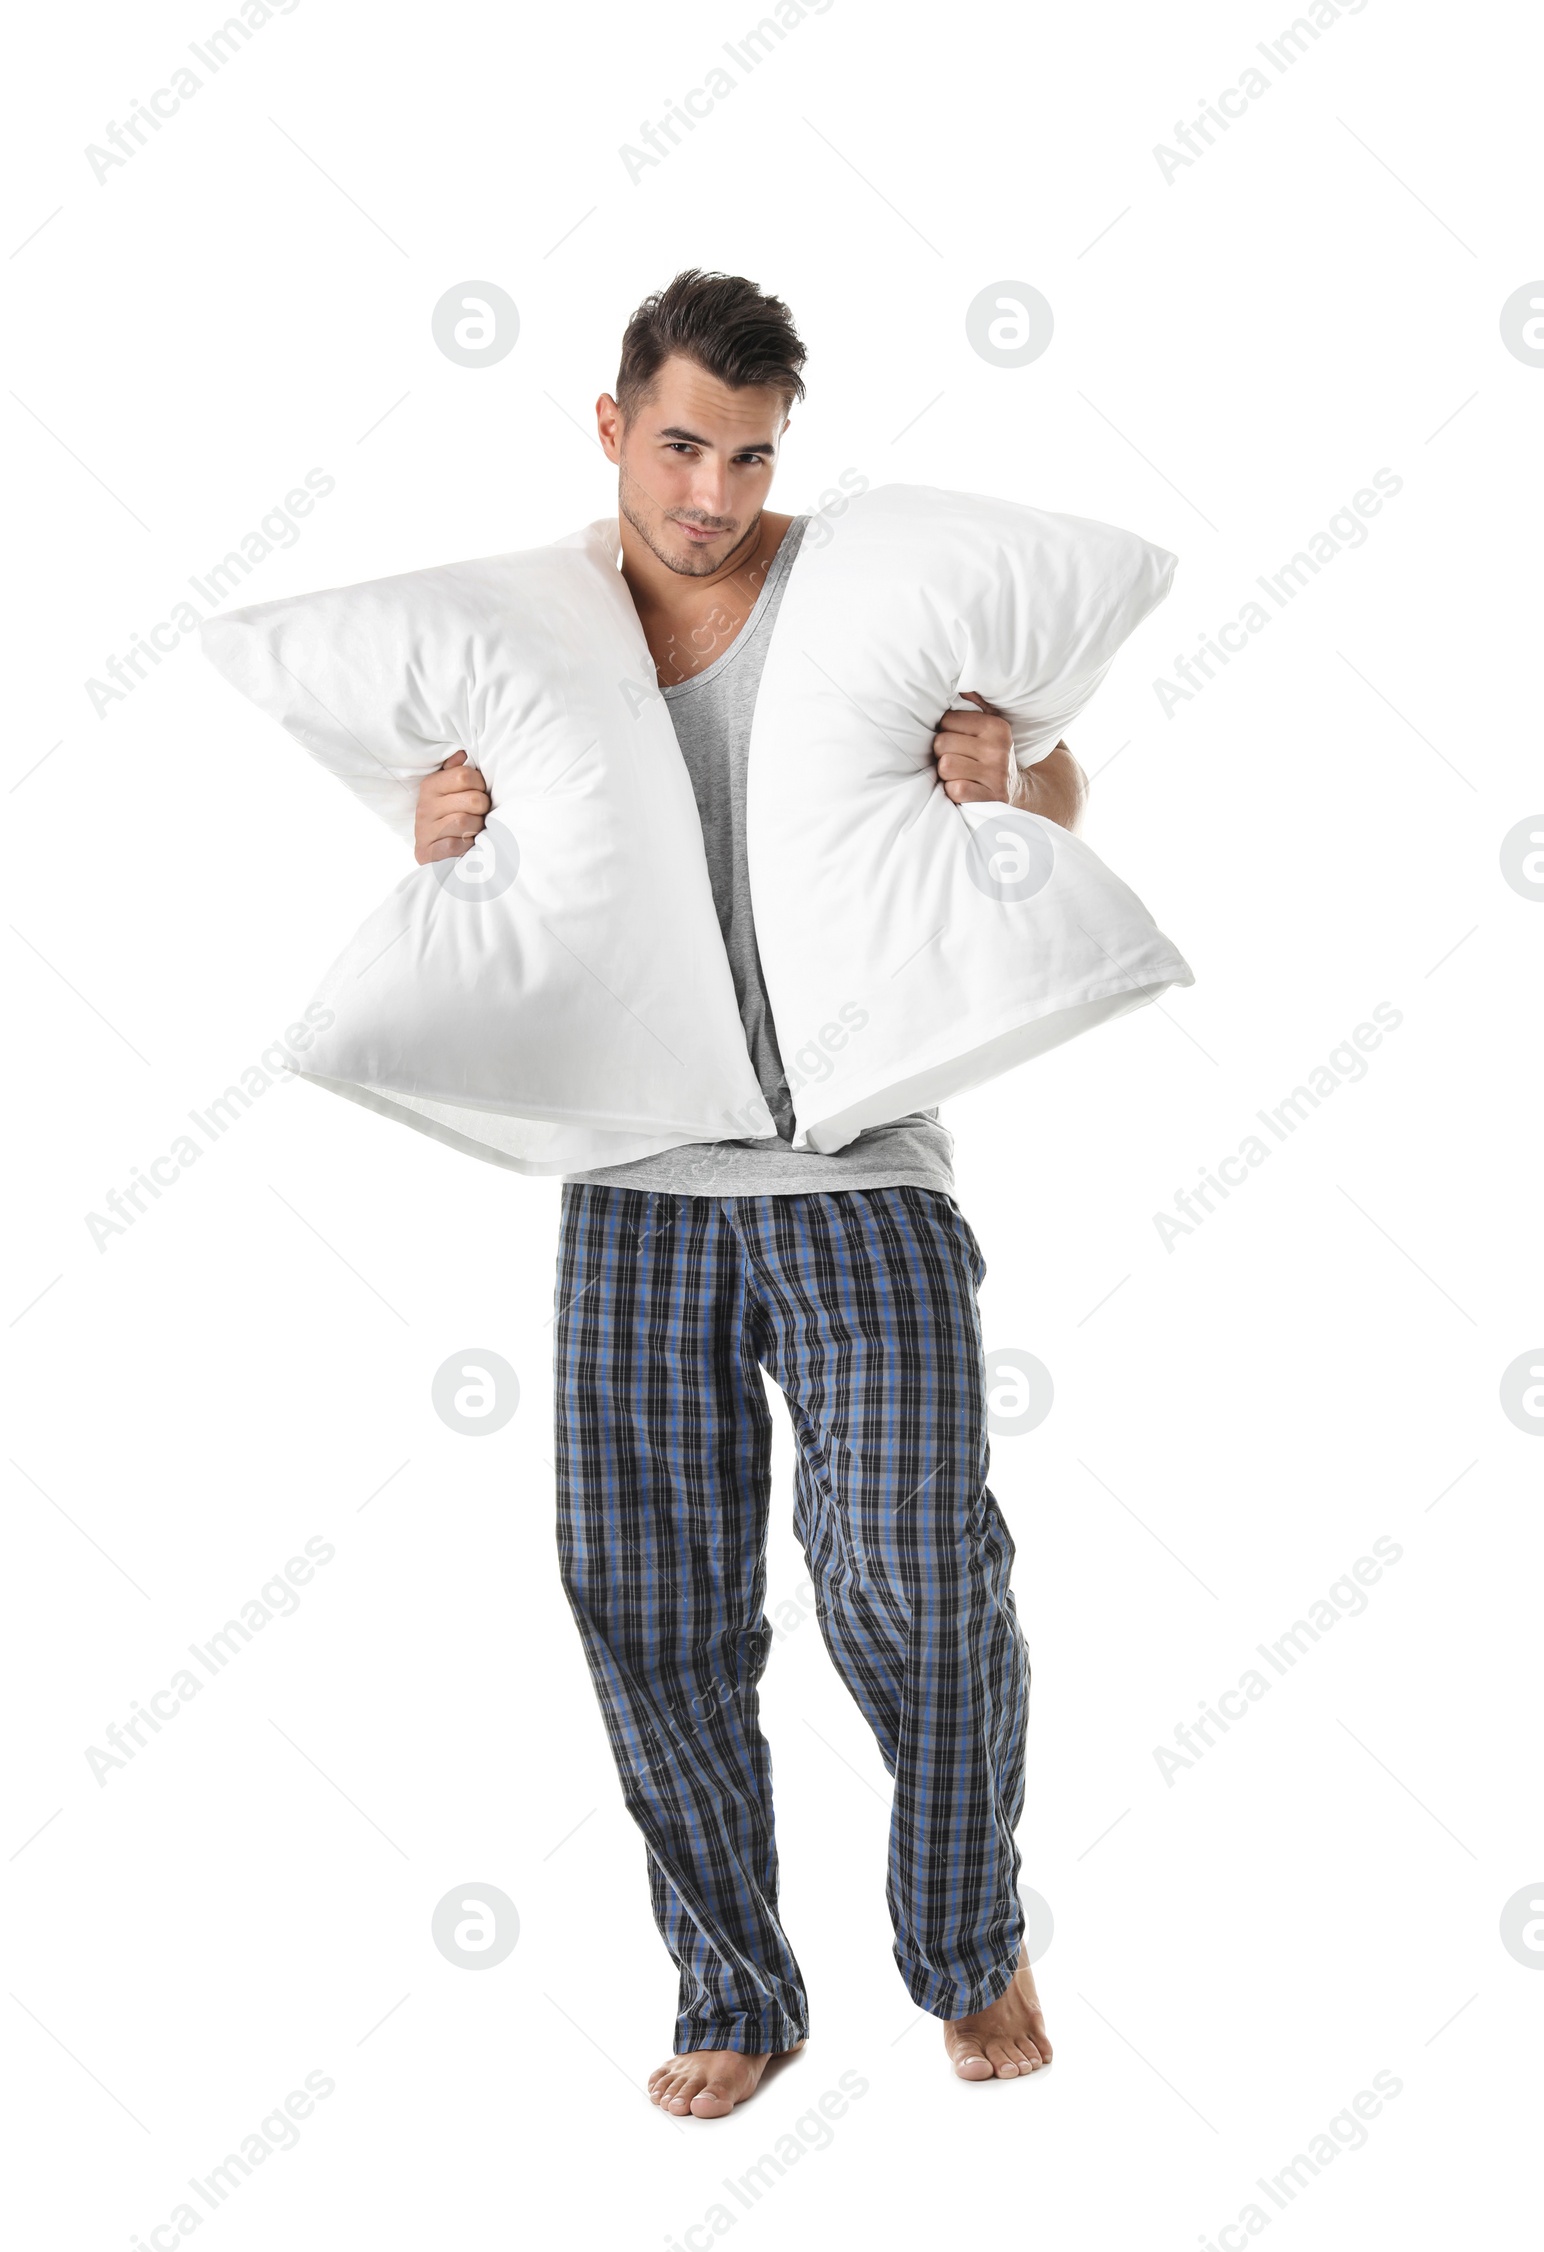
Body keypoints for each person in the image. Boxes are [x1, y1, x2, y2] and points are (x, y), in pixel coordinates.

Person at [415, 272, 1080, 2118]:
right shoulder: (535, 627)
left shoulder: (862, 596)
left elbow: (1061, 789)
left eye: (753, 454)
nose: (713, 493)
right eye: (685, 444)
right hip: (633, 1182)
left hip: (861, 1173)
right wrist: (441, 842)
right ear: (613, 421)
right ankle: (735, 1986)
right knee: (647, 1600)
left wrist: (1016, 778)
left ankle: (966, 1936)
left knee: (917, 1583)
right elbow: (482, 894)